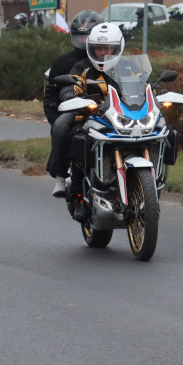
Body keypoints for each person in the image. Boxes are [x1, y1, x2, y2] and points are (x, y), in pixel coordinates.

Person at [53, 22, 123, 221]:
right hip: (91, 119)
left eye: (107, 48)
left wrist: (157, 93)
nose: (102, 53)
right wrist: (70, 96)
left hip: (122, 121)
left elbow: (145, 85)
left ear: (116, 48)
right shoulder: (82, 67)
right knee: (80, 141)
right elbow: (71, 84)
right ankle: (77, 195)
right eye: (98, 48)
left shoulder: (127, 67)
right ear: (91, 49)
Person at [44, 9, 102, 197]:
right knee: (61, 127)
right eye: (80, 37)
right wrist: (56, 117)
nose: (84, 42)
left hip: (109, 109)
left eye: (89, 37)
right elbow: (51, 95)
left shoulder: (111, 57)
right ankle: (61, 176)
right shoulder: (64, 62)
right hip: (74, 110)